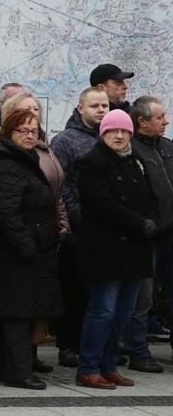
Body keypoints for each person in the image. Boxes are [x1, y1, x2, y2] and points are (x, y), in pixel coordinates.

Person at [0, 109, 63, 390]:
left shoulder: (23, 160)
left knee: (20, 312)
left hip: (28, 249)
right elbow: (6, 213)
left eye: (34, 131)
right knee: (17, 313)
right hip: (15, 253)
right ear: (7, 133)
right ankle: (18, 372)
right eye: (23, 131)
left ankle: (12, 369)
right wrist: (28, 245)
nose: (30, 136)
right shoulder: (5, 164)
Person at [75, 109, 155, 389]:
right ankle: (88, 367)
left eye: (124, 131)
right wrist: (139, 222)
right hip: (104, 250)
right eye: (112, 131)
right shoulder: (91, 162)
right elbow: (102, 203)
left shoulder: (135, 160)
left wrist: (152, 221)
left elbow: (148, 196)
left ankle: (109, 366)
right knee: (103, 310)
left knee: (123, 312)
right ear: (103, 133)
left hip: (134, 250)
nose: (118, 135)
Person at [50, 87, 110, 368]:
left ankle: (95, 347)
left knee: (97, 293)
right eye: (94, 105)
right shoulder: (66, 141)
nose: (100, 110)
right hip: (77, 230)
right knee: (73, 290)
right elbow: (60, 185)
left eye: (104, 106)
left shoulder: (111, 138)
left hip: (105, 231)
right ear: (80, 108)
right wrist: (76, 220)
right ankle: (68, 345)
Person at [124, 96, 173, 374]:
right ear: (142, 122)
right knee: (142, 299)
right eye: (160, 117)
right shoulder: (131, 150)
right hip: (147, 237)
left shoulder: (168, 148)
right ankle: (138, 350)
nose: (166, 122)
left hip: (171, 236)